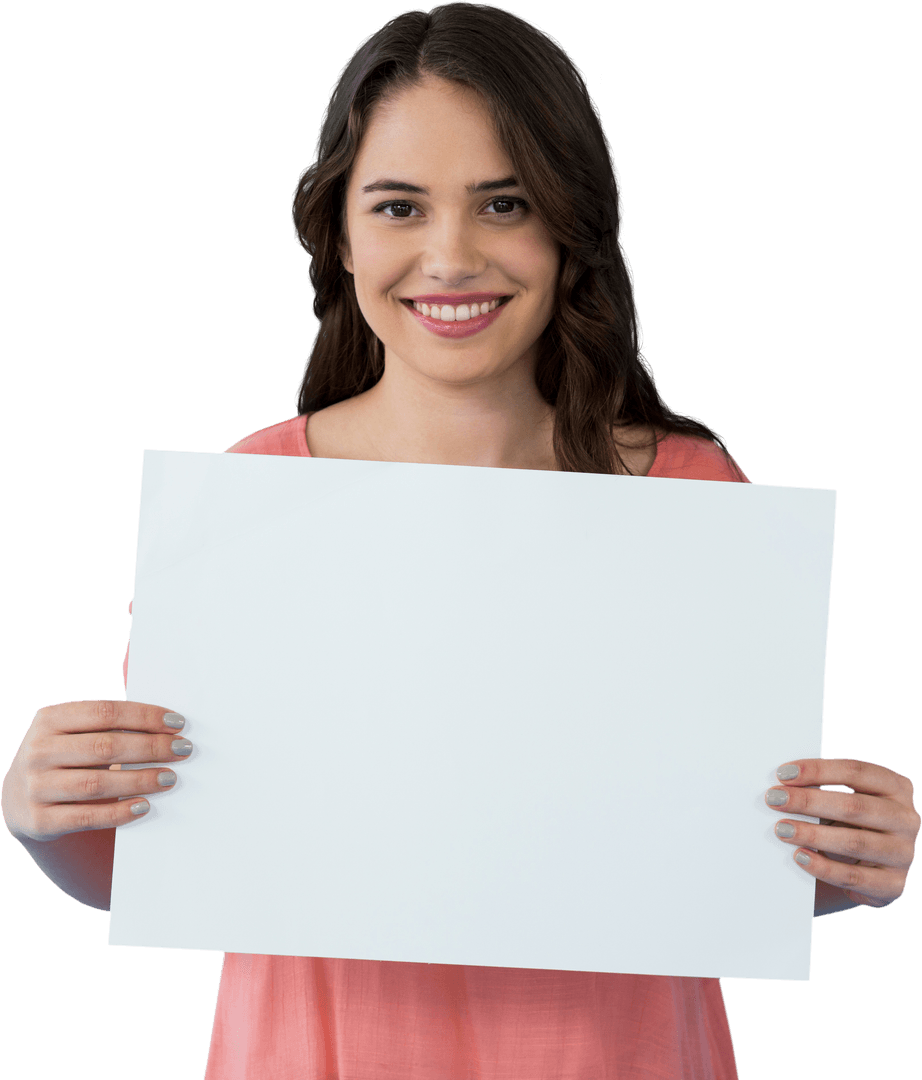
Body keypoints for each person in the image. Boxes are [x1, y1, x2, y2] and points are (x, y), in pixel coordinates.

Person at [2, 4, 918, 1078]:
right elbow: (181, 858)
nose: (451, 256)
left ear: (570, 225)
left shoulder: (688, 492)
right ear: (338, 233)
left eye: (505, 202)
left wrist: (844, 860)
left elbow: (710, 860)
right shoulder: (255, 497)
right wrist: (44, 817)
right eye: (398, 206)